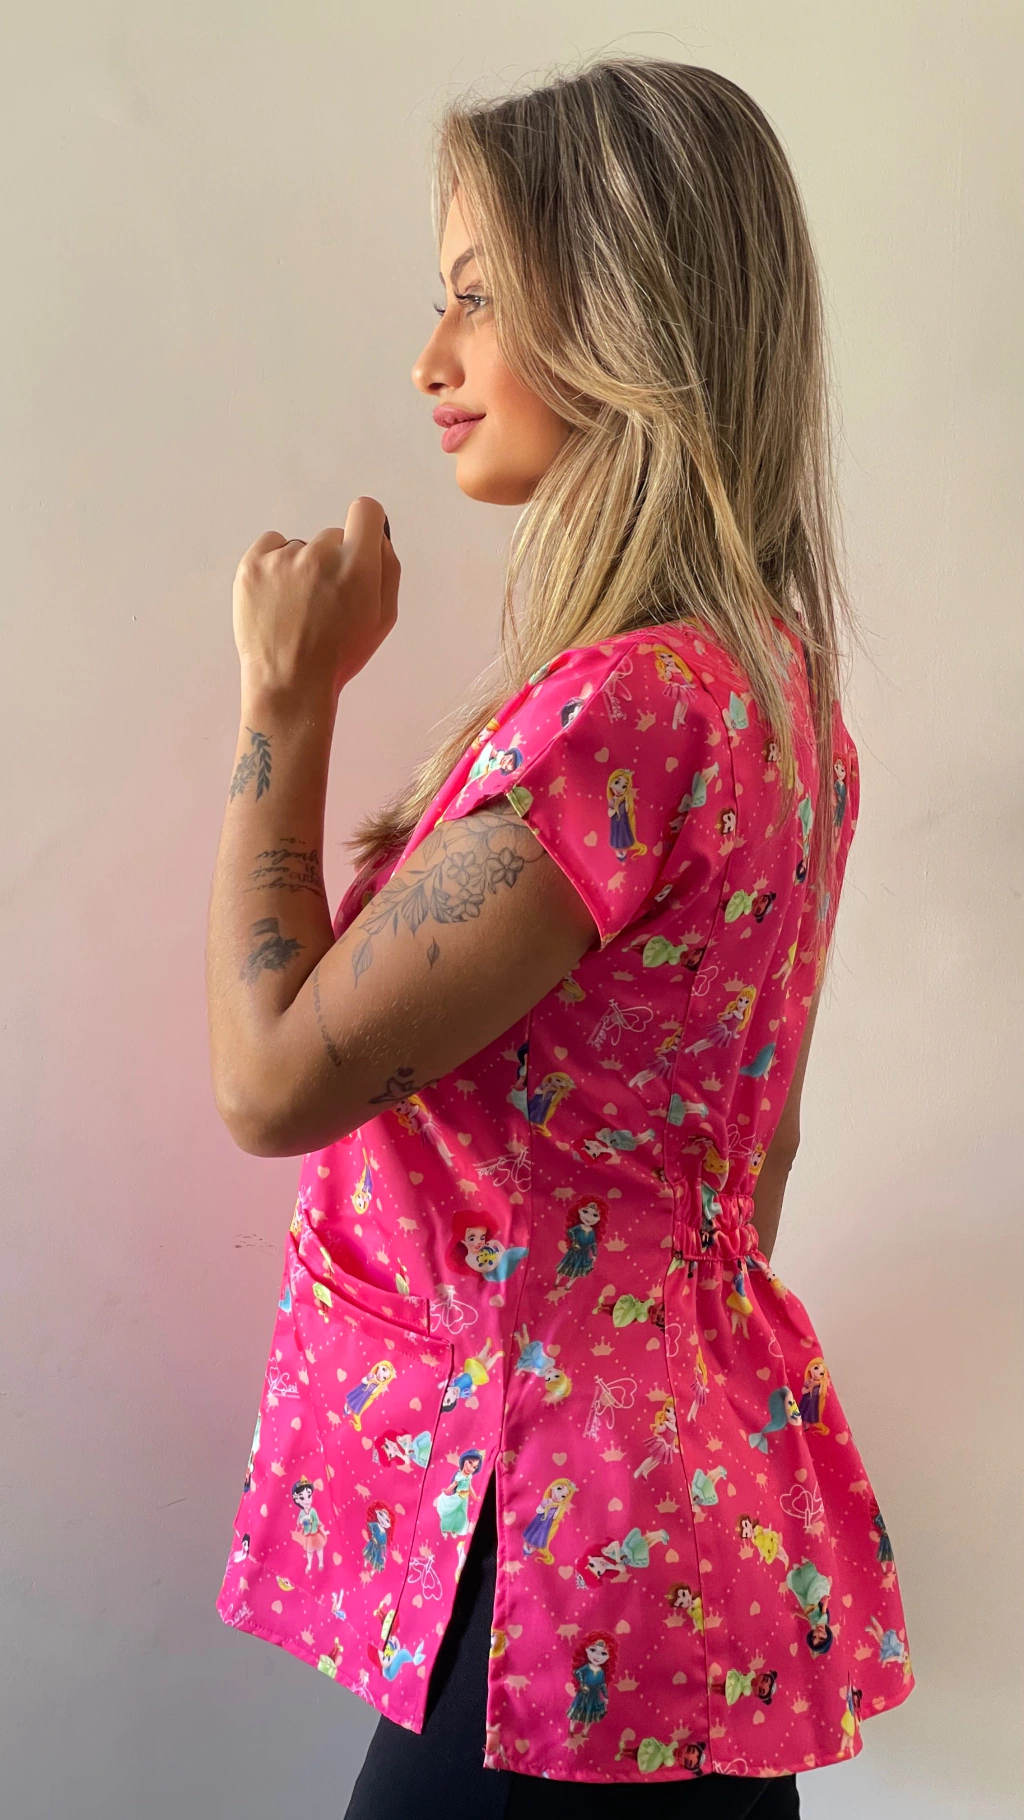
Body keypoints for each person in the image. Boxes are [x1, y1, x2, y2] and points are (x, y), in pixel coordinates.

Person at [206, 53, 913, 1818]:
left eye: (476, 298)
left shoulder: (624, 717)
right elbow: (757, 1164)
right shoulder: (784, 712)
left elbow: (271, 1079)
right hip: (689, 1554)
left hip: (545, 1589)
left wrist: (286, 703)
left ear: (619, 317)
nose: (429, 361)